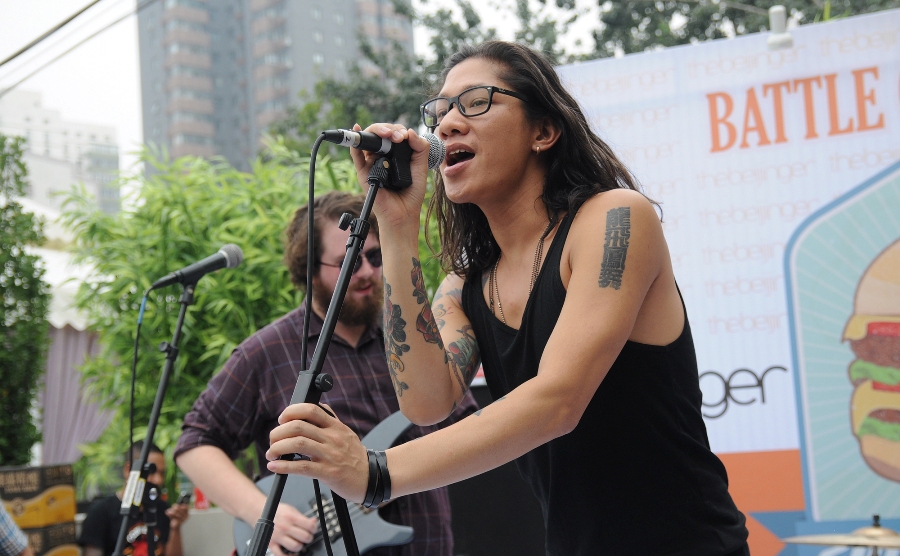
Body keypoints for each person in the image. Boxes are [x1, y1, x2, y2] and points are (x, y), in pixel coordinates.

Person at [265, 41, 751, 556]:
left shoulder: (614, 220)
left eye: (476, 101)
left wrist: (377, 472)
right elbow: (426, 401)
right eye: (441, 109)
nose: (448, 122)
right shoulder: (466, 285)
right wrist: (396, 222)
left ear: (543, 131)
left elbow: (557, 401)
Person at [174, 191, 478, 556]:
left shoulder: (411, 338)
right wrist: (260, 513)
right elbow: (195, 441)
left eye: (375, 256)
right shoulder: (267, 351)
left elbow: (468, 430)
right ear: (309, 269)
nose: (366, 272)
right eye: (349, 260)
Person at [79, 441, 189, 556]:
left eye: (162, 473)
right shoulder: (100, 512)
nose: (158, 480)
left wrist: (175, 527)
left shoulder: (162, 508)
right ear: (129, 470)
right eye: (151, 472)